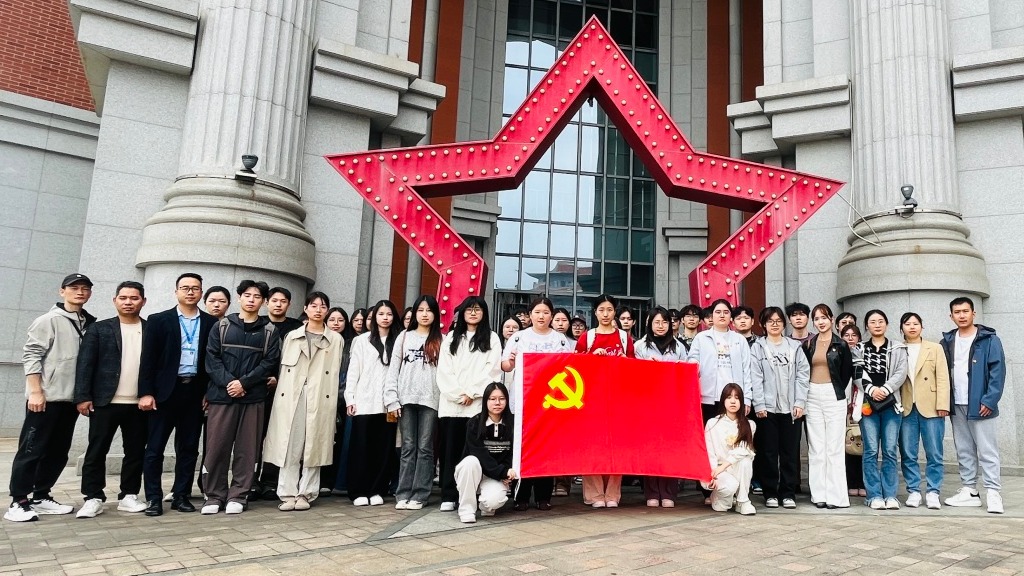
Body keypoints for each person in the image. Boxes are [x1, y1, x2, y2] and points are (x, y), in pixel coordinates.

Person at [6, 273, 96, 522]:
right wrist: (35, 391)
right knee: (31, 450)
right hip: (46, 398)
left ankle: (41, 496)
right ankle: (18, 501)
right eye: (74, 288)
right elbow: (31, 355)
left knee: (58, 452)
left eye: (85, 288)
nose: (80, 292)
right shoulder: (48, 320)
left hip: (70, 399)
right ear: (62, 291)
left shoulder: (88, 322)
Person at [138, 273, 217, 516]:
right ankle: (153, 498)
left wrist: (208, 391)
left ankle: (181, 495)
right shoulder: (159, 320)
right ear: (176, 292)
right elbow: (148, 359)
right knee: (155, 448)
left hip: (194, 392)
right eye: (185, 288)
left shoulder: (211, 322)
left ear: (201, 293)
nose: (190, 292)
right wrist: (146, 393)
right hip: (164, 393)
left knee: (189, 448)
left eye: (195, 288)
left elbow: (213, 360)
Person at [201, 280, 282, 515]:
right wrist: (230, 383)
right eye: (247, 295)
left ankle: (239, 494)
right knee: (216, 447)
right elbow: (212, 359)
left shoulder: (269, 331)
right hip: (222, 397)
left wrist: (243, 383)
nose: (251, 300)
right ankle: (214, 495)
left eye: (257, 296)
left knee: (247, 450)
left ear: (263, 302)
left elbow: (269, 362)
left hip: (252, 397)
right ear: (239, 298)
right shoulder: (222, 326)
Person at [73, 281, 149, 518]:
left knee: (135, 452)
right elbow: (85, 364)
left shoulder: (151, 329)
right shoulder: (99, 329)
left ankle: (129, 495)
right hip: (104, 402)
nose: (128, 302)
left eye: (134, 298)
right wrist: (83, 396)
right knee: (96, 450)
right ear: (115, 300)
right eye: (123, 298)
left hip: (139, 404)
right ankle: (92, 497)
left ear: (143, 301)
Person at [262, 292, 344, 511]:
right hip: (292, 395)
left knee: (314, 445)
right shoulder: (292, 336)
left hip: (320, 396)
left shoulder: (335, 339)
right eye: (313, 306)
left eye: (323, 306)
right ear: (305, 309)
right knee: (290, 443)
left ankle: (306, 493)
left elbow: (336, 371)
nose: (318, 310)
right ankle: (287, 493)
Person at [502, 297, 572, 510]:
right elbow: (505, 365)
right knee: (522, 447)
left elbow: (569, 367)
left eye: (546, 312)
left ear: (551, 316)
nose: (541, 316)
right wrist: (510, 361)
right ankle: (521, 496)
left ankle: (543, 496)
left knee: (545, 449)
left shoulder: (560, 340)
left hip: (549, 401)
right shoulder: (519, 337)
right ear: (530, 315)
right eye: (537, 312)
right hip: (523, 399)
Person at [941, 297, 1005, 514]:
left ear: (973, 313)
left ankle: (993, 492)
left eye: (965, 311)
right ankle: (970, 491)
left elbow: (998, 372)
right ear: (951, 316)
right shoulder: (947, 341)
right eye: (957, 312)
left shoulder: (989, 340)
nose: (962, 315)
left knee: (987, 450)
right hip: (957, 403)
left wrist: (989, 400)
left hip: (980, 404)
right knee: (964, 449)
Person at [437, 297, 502, 512]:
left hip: (476, 405)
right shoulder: (451, 338)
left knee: (473, 452)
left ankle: (472, 494)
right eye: (469, 309)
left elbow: (492, 370)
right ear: (462, 313)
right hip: (451, 406)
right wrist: (458, 395)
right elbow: (444, 371)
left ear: (484, 313)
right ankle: (449, 494)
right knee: (450, 451)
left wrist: (472, 393)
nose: (473, 313)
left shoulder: (492, 338)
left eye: (477, 309)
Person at [575, 294, 635, 508]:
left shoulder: (624, 338)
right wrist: (591, 357)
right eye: (601, 310)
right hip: (591, 399)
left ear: (614, 312)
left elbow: (634, 367)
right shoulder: (587, 337)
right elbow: (575, 367)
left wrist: (624, 361)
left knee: (616, 446)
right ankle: (594, 494)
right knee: (593, 445)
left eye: (609, 310)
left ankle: (612, 494)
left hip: (618, 398)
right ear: (595, 313)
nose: (606, 314)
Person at [384, 295, 442, 510]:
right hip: (405, 399)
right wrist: (392, 399)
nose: (425, 314)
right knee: (408, 447)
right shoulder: (404, 337)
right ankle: (403, 493)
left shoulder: (442, 339)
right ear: (415, 313)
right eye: (421, 310)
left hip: (431, 400)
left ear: (435, 314)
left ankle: (420, 494)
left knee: (425, 448)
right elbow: (393, 369)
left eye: (429, 310)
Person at [749, 307, 809, 510]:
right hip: (767, 409)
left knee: (790, 452)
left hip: (791, 409)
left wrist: (799, 402)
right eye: (770, 321)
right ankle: (770, 493)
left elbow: (803, 375)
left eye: (778, 321)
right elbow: (755, 377)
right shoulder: (758, 347)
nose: (774, 324)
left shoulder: (794, 347)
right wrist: (759, 404)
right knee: (768, 452)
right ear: (763, 324)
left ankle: (788, 493)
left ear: (784, 324)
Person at [345, 300, 401, 506]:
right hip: (364, 401)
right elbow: (353, 371)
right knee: (361, 447)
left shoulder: (398, 340)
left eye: (389, 314)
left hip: (389, 405)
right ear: (374, 316)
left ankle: (377, 489)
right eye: (381, 314)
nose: (385, 318)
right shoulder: (362, 340)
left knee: (384, 449)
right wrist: (350, 398)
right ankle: (358, 490)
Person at [253, 287, 305, 501]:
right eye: (274, 300)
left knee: (279, 437)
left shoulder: (296, 327)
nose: (278, 304)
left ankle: (270, 481)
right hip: (258, 388)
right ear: (267, 302)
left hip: (286, 391)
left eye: (283, 301)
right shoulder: (258, 324)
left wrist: (280, 379)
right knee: (255, 437)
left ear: (289, 304)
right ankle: (251, 481)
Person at [801, 303, 852, 509]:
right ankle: (819, 495)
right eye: (817, 319)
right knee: (816, 447)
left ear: (832, 319)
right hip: (812, 395)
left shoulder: (841, 344)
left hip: (834, 394)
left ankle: (836, 497)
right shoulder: (809, 344)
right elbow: (804, 370)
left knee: (834, 448)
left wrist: (835, 389)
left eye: (824, 317)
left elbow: (846, 373)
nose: (820, 322)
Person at [897, 312, 950, 510]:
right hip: (906, 406)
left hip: (931, 405)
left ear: (922, 326)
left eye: (916, 323)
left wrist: (943, 404)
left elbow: (943, 377)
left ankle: (933, 491)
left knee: (934, 452)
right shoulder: (898, 348)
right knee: (908, 452)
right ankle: (913, 490)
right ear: (901, 328)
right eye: (907, 324)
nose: (912, 327)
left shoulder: (934, 348)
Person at [634, 306, 684, 507]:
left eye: (665, 322)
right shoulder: (639, 346)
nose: (661, 326)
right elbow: (632, 374)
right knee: (650, 449)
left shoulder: (679, 347)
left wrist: (679, 370)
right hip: (648, 405)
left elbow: (689, 373)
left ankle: (669, 492)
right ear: (649, 324)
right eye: (657, 322)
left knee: (670, 449)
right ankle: (652, 492)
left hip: (672, 404)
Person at [858, 310, 908, 511]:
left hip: (891, 405)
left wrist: (886, 389)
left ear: (886, 324)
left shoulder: (898, 347)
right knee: (870, 450)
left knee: (889, 450)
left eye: (880, 321)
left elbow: (901, 372)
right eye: (872, 322)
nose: (877, 325)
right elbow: (856, 372)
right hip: (868, 406)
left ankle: (890, 495)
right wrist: (871, 389)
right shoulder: (859, 348)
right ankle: (874, 495)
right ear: (867, 326)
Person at [455, 382, 516, 523]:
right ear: (485, 401)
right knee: (470, 461)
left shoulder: (513, 424)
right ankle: (466, 510)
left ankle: (484, 506)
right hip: (474, 471)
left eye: (502, 399)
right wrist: (502, 472)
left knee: (493, 502)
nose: (497, 403)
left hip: (495, 476)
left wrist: (507, 471)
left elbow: (512, 452)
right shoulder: (474, 423)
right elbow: (479, 454)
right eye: (492, 399)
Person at [686, 299, 753, 420]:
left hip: (733, 399)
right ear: (712, 315)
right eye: (718, 312)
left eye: (726, 312)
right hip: (707, 398)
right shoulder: (701, 338)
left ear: (731, 316)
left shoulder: (740, 339)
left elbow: (747, 371)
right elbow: (692, 364)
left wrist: (747, 398)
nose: (722, 315)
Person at [702, 384, 757, 515]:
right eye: (729, 397)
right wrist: (712, 475)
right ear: (723, 400)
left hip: (734, 467)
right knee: (725, 501)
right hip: (717, 470)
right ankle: (718, 497)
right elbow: (709, 452)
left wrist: (724, 466)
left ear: (741, 402)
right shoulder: (712, 423)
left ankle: (743, 501)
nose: (733, 401)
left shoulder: (749, 425)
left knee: (745, 460)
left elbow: (743, 450)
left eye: (737, 398)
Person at [323, 306, 356, 495]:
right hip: (323, 398)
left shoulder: (351, 345)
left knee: (342, 442)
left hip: (345, 400)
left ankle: (337, 480)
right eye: (332, 320)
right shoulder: (322, 342)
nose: (336, 324)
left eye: (340, 320)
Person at [840, 324, 866, 498]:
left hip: (862, 403)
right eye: (846, 335)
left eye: (854, 335)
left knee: (862, 444)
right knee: (847, 444)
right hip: (843, 404)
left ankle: (862, 482)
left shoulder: (864, 354)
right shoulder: (838, 354)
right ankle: (850, 482)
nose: (850, 338)